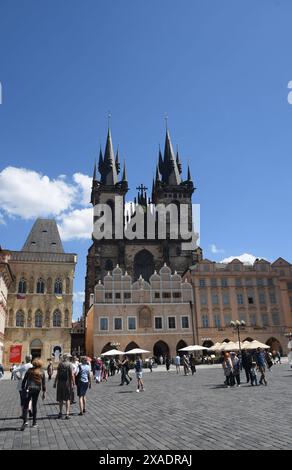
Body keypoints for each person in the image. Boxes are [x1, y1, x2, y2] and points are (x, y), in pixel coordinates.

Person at [21, 358, 46, 430]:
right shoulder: (42, 372)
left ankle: (25, 421)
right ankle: (34, 423)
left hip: (28, 389)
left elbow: (24, 380)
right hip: (37, 389)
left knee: (26, 405)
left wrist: (23, 388)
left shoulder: (29, 370)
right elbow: (43, 384)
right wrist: (44, 393)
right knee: (34, 405)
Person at [54, 353, 74, 419]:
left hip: (60, 383)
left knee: (60, 398)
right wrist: (73, 383)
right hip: (67, 383)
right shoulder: (69, 364)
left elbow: (57, 374)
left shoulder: (60, 364)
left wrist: (55, 382)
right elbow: (72, 375)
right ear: (67, 358)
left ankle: (60, 412)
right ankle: (67, 414)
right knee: (67, 398)